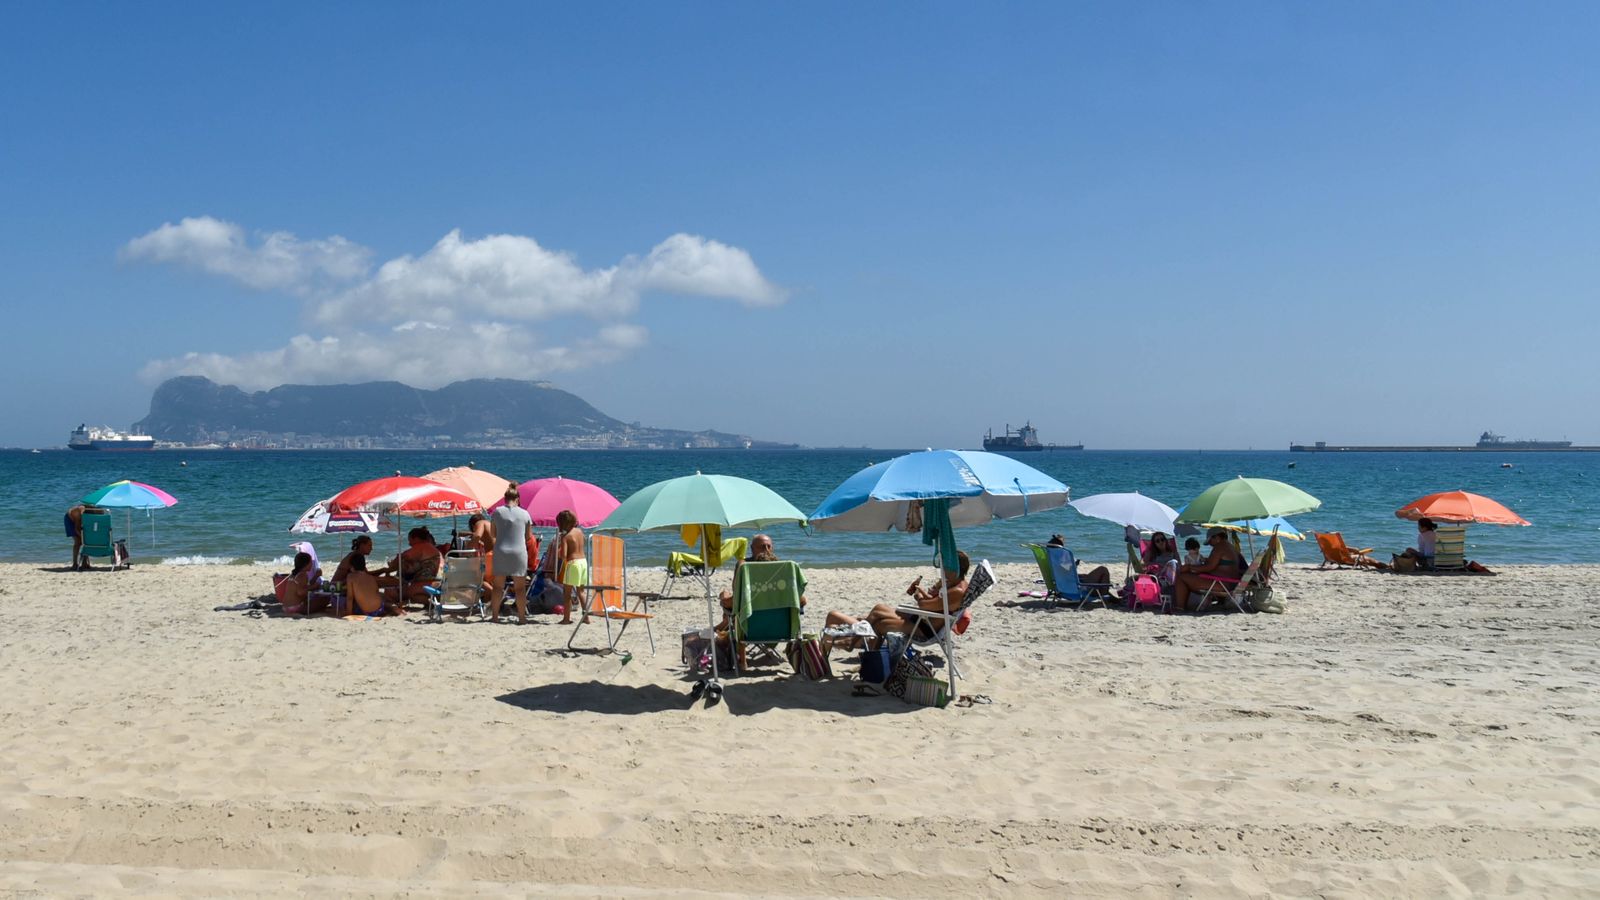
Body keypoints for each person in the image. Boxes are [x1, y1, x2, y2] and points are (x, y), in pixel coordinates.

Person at [826, 551, 971, 648]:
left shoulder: (956, 591)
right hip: (924, 620)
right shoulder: (960, 585)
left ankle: (855, 643)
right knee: (878, 608)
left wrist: (919, 596)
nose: (943, 569)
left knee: (879, 622)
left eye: (945, 566)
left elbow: (924, 606)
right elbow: (938, 605)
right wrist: (921, 591)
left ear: (955, 567)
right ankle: (857, 640)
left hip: (924, 627)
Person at [1171, 527, 1247, 613]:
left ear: (1217, 538)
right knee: (1188, 575)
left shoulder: (1220, 547)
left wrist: (1189, 567)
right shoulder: (1230, 547)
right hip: (1230, 583)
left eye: (1210, 541)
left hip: (1222, 584)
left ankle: (1179, 608)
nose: (1210, 544)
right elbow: (1218, 564)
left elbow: (1209, 567)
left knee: (1182, 577)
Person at [488, 483, 533, 623]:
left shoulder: (497, 512)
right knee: (519, 588)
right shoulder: (525, 514)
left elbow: (493, 534)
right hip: (518, 552)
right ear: (518, 499)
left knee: (497, 587)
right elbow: (528, 537)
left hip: (501, 550)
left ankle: (495, 616)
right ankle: (521, 618)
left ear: (504, 498)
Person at [373, 527, 443, 607]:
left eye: (410, 540)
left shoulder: (422, 546)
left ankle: (393, 604)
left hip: (430, 584)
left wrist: (390, 568)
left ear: (416, 538)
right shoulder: (431, 547)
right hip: (440, 585)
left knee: (402, 591)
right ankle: (432, 603)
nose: (409, 543)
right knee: (409, 593)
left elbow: (402, 557)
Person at [554, 510, 587, 625]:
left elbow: (563, 556)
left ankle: (566, 619)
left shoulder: (566, 537)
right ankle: (586, 616)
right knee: (581, 591)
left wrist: (559, 549)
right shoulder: (579, 532)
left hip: (572, 564)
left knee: (567, 593)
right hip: (583, 562)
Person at [278, 551, 332, 616]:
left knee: (316, 599)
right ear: (306, 564)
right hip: (295, 608)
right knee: (326, 599)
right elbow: (300, 592)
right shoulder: (303, 575)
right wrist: (315, 586)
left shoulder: (293, 574)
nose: (312, 564)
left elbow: (304, 586)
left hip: (285, 607)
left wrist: (316, 576)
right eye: (310, 562)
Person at [65, 503, 87, 570]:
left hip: (80, 519)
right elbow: (76, 528)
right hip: (70, 520)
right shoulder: (79, 512)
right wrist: (81, 537)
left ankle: (84, 563)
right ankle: (75, 563)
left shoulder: (98, 511)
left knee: (87, 541)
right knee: (78, 542)